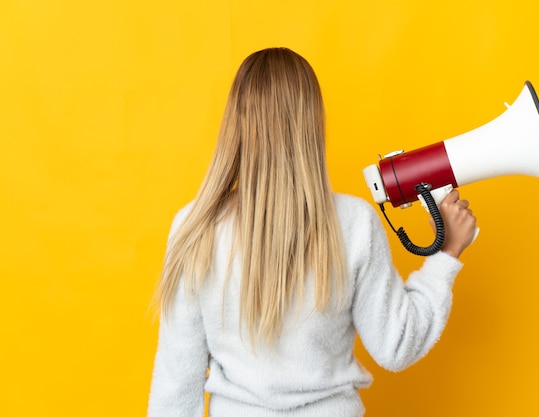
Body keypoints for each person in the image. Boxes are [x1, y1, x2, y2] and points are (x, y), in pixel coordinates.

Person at [147, 47, 476, 417]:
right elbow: (396, 345)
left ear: (235, 122)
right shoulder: (354, 223)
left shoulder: (195, 227)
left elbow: (175, 388)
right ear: (312, 122)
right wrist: (446, 255)